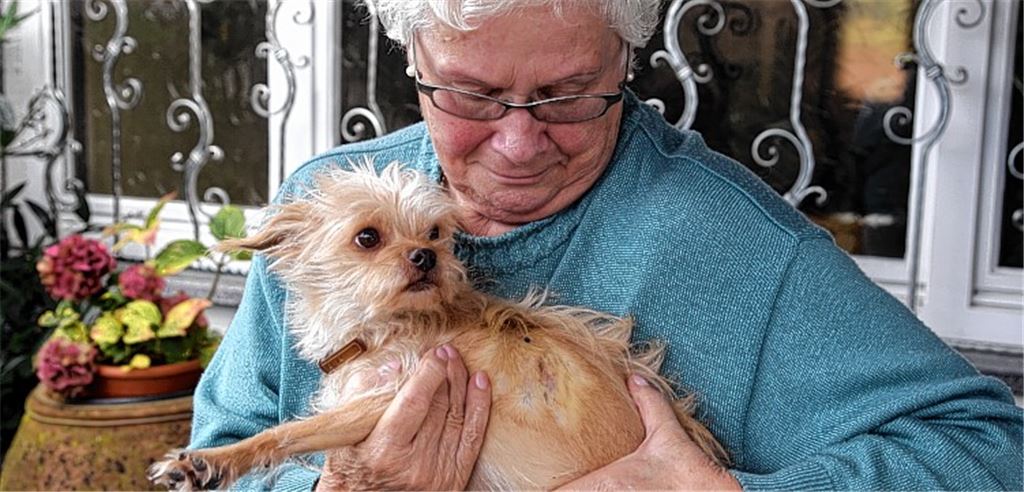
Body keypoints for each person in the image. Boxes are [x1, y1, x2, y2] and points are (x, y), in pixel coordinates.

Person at [189, 1, 1024, 489]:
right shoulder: (326, 204)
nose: (518, 145)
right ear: (414, 63)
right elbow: (223, 440)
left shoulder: (736, 245)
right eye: (471, 95)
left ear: (626, 61)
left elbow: (990, 445)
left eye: (568, 96)